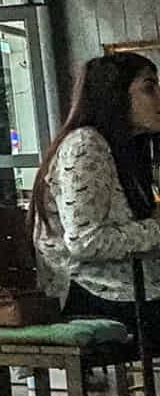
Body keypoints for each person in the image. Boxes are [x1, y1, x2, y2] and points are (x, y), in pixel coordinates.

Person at [32, 52, 160, 336]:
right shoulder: (85, 145)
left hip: (127, 286)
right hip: (86, 291)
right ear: (114, 94)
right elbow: (84, 241)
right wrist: (156, 229)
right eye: (149, 87)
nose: (158, 96)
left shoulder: (127, 149)